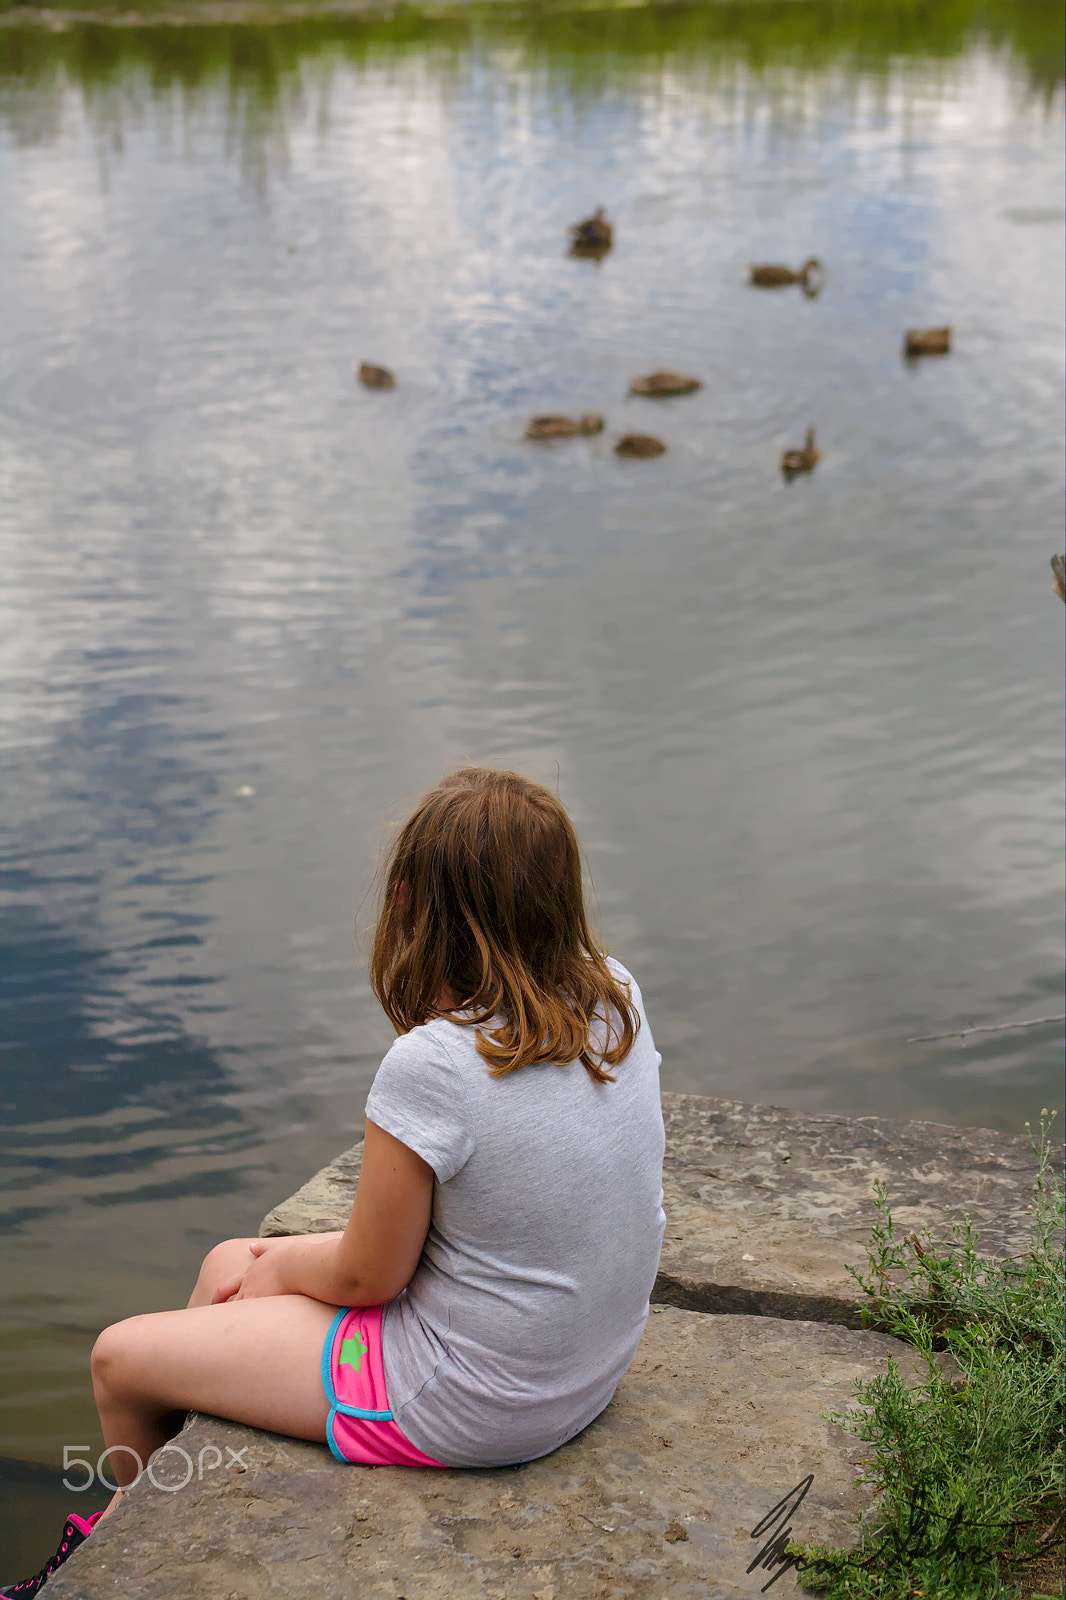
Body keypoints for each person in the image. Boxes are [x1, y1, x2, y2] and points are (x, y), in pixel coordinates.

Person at [3, 768, 666, 1597]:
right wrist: (260, 1265)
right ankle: (175, 1515)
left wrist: (279, 1267)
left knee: (119, 1360)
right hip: (586, 1364)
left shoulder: (434, 1064)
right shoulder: (616, 995)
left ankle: (131, 1555)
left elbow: (368, 1275)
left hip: (477, 1401)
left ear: (411, 906)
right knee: (222, 1265)